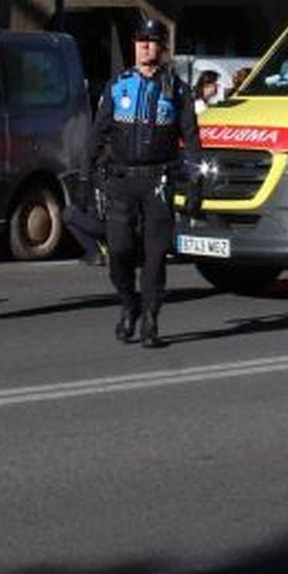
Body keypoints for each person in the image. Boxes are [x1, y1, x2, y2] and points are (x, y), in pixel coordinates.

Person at [85, 17, 201, 348]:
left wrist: (195, 181)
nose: (145, 47)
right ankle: (129, 302)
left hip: (158, 183)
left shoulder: (177, 89)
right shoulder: (118, 85)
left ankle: (150, 319)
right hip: (121, 181)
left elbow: (191, 139)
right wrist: (84, 174)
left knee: (155, 254)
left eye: (152, 42)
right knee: (119, 251)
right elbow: (97, 133)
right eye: (140, 41)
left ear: (163, 48)